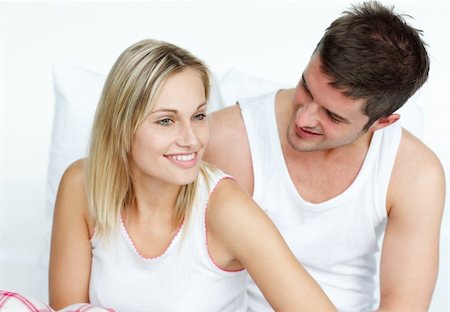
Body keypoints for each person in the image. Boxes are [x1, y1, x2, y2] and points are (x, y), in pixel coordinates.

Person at [48, 39, 336, 311]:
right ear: (121, 127)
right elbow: (70, 308)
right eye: (166, 121)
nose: (192, 139)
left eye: (198, 116)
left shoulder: (227, 209)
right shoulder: (82, 186)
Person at [204, 2, 445, 311]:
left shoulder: (415, 174)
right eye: (306, 88)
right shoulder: (230, 138)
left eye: (332, 116)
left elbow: (404, 303)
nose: (304, 119)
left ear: (382, 122)